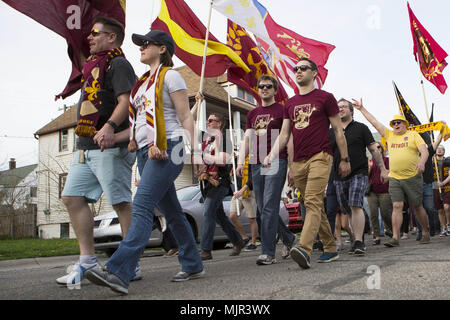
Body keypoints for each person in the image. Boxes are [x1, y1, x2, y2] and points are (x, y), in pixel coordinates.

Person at [84, 29, 204, 294]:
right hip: (145, 152)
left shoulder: (171, 76)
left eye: (146, 43)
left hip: (168, 148)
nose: (140, 47)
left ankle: (119, 270)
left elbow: (185, 117)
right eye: (140, 44)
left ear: (162, 48)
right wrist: (114, 137)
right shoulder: (140, 86)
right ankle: (193, 263)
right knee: (173, 212)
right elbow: (137, 125)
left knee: (141, 206)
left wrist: (196, 153)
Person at [57, 17, 137, 286]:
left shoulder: (119, 64)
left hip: (110, 146)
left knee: (121, 203)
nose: (89, 38)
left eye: (94, 33)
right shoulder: (93, 67)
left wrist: (111, 126)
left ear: (111, 37)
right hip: (86, 147)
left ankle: (129, 263)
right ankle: (88, 261)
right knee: (72, 198)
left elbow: (127, 101)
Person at [264, 58, 351, 269]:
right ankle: (330, 248)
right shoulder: (290, 103)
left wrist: (345, 159)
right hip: (299, 161)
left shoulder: (325, 98)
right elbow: (284, 135)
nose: (298, 71)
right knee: (313, 205)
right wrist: (271, 154)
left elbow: (338, 130)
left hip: (321, 156)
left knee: (312, 200)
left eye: (303, 68)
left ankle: (304, 248)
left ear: (314, 73)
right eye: (296, 69)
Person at [353, 99, 431, 247]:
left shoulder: (413, 135)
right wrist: (362, 108)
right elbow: (374, 122)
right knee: (396, 206)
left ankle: (425, 232)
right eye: (393, 123)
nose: (395, 125)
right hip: (394, 177)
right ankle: (395, 237)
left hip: (413, 176)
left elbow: (424, 150)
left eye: (398, 122)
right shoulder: (389, 135)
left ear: (404, 124)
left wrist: (421, 162)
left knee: (417, 206)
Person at [237, 75, 297, 265]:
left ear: (275, 89)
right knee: (263, 209)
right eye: (261, 86)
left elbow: (289, 139)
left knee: (269, 206)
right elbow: (247, 139)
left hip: (276, 159)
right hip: (256, 160)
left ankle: (268, 252)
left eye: (268, 86)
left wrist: (292, 167)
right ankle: (289, 238)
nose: (264, 89)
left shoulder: (282, 109)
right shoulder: (252, 113)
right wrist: (240, 162)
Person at [329, 98, 388, 255]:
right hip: (338, 176)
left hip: (359, 172)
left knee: (356, 204)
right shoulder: (331, 131)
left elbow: (374, 149)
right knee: (348, 209)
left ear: (351, 111)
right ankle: (355, 238)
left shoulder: (361, 128)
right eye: (338, 107)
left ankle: (359, 241)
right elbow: (327, 156)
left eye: (343, 107)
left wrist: (382, 169)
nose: (340, 109)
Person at [198, 112, 245, 261]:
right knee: (219, 216)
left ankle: (206, 249)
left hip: (220, 182)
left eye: (211, 120)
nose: (207, 122)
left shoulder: (224, 139)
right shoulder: (206, 141)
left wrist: (206, 158)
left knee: (208, 212)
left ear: (219, 123)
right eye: (207, 120)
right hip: (207, 183)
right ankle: (238, 240)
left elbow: (223, 160)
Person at [229, 155, 258, 251]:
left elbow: (252, 177)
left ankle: (253, 242)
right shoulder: (236, 159)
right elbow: (230, 172)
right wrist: (232, 159)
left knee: (251, 219)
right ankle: (245, 237)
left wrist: (243, 190)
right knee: (232, 215)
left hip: (248, 191)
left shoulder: (251, 159)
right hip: (237, 192)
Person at [367, 142, 393, 245]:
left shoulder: (387, 160)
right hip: (371, 191)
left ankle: (392, 230)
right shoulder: (370, 161)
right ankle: (376, 236)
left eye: (378, 147)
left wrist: (385, 170)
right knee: (373, 214)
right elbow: (367, 176)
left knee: (385, 213)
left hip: (384, 190)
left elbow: (391, 172)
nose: (376, 149)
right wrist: (369, 168)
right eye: (374, 148)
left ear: (382, 149)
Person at [434, 144, 450, 236]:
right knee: (439, 209)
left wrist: (443, 183)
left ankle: (448, 225)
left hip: (447, 186)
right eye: (438, 149)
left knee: (447, 207)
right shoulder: (433, 162)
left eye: (441, 149)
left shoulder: (448, 161)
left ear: (444, 152)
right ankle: (443, 228)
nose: (439, 150)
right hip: (435, 187)